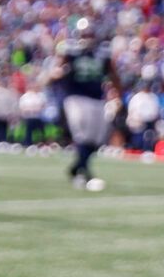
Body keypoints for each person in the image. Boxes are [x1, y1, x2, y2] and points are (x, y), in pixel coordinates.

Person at [51, 15, 121, 191]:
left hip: (97, 97)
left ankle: (76, 167)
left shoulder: (103, 52)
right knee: (83, 135)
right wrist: (59, 72)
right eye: (84, 34)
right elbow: (58, 68)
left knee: (98, 139)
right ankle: (84, 172)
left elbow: (113, 75)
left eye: (89, 34)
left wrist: (117, 94)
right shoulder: (69, 50)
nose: (86, 38)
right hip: (75, 96)